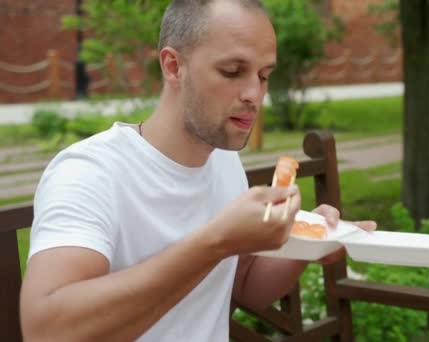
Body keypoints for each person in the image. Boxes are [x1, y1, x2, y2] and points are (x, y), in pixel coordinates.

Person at [19, 0, 376, 341]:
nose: (255, 93)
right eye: (233, 72)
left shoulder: (222, 161)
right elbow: (47, 331)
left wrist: (312, 242)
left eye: (264, 75)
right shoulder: (89, 173)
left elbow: (246, 285)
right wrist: (215, 241)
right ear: (173, 66)